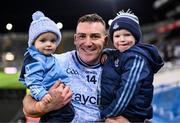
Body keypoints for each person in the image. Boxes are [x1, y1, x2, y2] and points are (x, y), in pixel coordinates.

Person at [22, 13, 130, 123]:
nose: (88, 43)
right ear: (75, 39)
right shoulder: (56, 63)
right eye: (82, 36)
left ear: (105, 40)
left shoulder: (120, 66)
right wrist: (45, 106)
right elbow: (27, 107)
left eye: (95, 36)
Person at [100, 9, 164, 122]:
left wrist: (108, 113)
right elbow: (116, 52)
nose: (122, 40)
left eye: (127, 35)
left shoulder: (136, 58)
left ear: (136, 37)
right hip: (120, 110)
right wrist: (107, 52)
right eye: (117, 36)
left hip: (130, 114)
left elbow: (127, 90)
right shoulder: (122, 53)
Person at [19, 11, 74, 122]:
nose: (49, 44)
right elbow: (33, 82)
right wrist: (42, 96)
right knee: (62, 116)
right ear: (33, 42)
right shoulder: (34, 59)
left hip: (57, 98)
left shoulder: (49, 57)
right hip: (46, 97)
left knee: (66, 114)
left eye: (53, 41)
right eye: (43, 40)